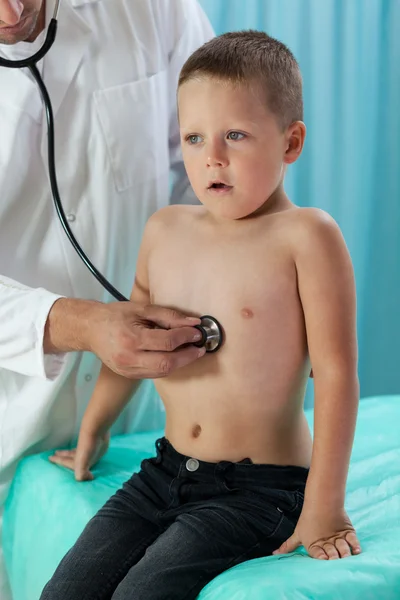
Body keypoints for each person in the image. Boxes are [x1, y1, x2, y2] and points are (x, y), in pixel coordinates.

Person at [43, 30, 362, 600]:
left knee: (142, 595)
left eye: (235, 135)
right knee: (65, 592)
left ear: (291, 143)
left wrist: (325, 508)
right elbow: (132, 344)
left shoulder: (306, 237)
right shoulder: (166, 229)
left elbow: (336, 376)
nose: (211, 156)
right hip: (164, 472)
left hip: (261, 487)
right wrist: (94, 428)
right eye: (193, 137)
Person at [0, 0, 214, 597]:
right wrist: (77, 322)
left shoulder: (155, 9)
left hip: (151, 414)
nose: (14, 12)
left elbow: (211, 160)